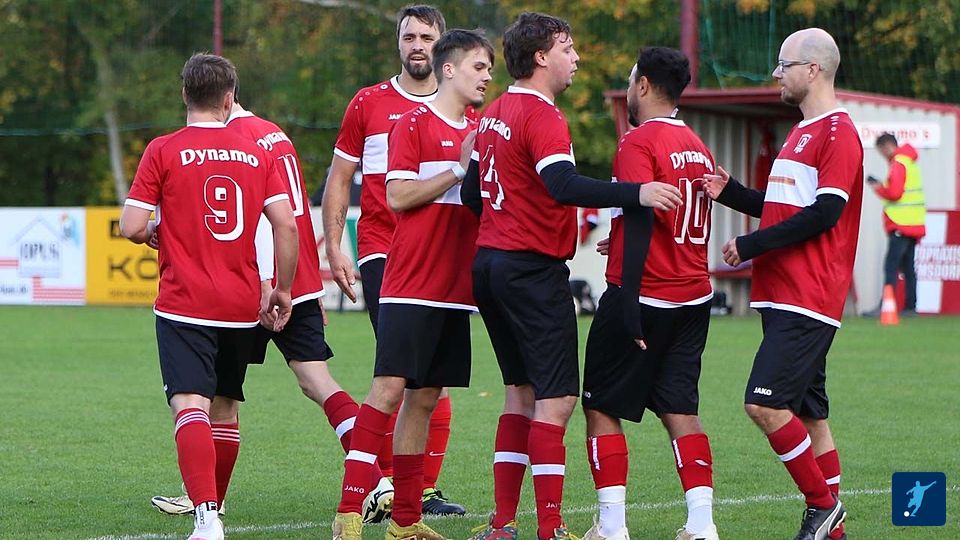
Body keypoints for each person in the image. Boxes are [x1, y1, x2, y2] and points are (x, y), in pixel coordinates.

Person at [462, 12, 682, 540]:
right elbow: (561, 184)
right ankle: (550, 528)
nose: (576, 57)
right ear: (541, 57)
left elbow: (472, 194)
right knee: (557, 399)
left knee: (520, 394)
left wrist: (513, 218)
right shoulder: (542, 115)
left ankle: (503, 524)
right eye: (567, 48)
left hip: (490, 265)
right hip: (531, 271)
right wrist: (636, 193)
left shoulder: (494, 112)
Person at [148, 100, 394, 524]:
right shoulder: (274, 133)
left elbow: (265, 222)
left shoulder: (234, 141)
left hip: (261, 285)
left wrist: (267, 284)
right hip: (297, 278)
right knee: (318, 382)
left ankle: (209, 505)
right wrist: (307, 286)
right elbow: (294, 214)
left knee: (221, 398)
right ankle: (374, 479)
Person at [120, 53, 299, 540]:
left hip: (185, 303)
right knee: (224, 409)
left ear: (185, 95)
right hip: (241, 305)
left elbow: (131, 226)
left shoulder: (163, 149)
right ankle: (215, 508)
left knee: (189, 405)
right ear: (228, 99)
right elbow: (286, 226)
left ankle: (205, 517)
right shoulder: (256, 151)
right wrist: (282, 289)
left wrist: (153, 230)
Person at [331, 28, 491, 540]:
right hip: (410, 281)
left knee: (425, 397)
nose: (487, 77)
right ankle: (348, 512)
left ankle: (405, 520)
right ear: (450, 68)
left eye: (490, 69)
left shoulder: (483, 128)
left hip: (455, 288)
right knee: (388, 389)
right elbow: (397, 196)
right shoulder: (414, 124)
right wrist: (457, 170)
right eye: (479, 67)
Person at [704, 28, 861, 540]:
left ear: (812, 70)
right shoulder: (800, 132)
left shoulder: (838, 132)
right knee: (811, 416)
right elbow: (782, 209)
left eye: (783, 65)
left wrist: (752, 245)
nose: (777, 74)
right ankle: (833, 532)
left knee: (764, 403)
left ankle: (823, 507)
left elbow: (825, 213)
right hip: (783, 295)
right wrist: (732, 193)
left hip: (807, 296)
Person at [580, 47, 719, 540]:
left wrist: (629, 298)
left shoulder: (637, 141)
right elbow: (661, 221)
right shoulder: (697, 145)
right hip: (693, 295)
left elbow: (640, 218)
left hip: (644, 294)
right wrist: (617, 241)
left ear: (642, 85)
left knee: (600, 404)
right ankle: (701, 525)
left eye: (629, 80)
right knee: (680, 408)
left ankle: (611, 527)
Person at [865, 132, 926, 316]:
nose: (883, 155)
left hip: (901, 223)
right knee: (908, 268)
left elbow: (895, 194)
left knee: (891, 266)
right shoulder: (908, 161)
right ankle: (910, 307)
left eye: (881, 151)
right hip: (913, 223)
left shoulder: (898, 162)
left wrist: (878, 188)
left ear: (887, 146)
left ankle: (886, 306)